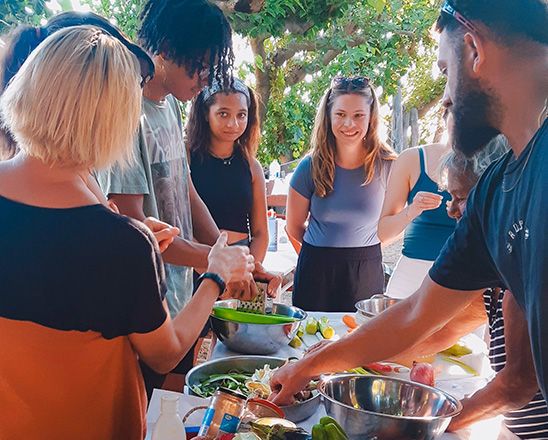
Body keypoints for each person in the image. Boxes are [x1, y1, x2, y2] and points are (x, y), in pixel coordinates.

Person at [270, 0, 548, 406]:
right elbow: (419, 316)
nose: (447, 99)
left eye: (444, 72)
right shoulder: (494, 191)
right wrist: (312, 365)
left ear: (474, 49)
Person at [0, 26, 254, 439]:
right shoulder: (120, 244)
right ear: (114, 120)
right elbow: (165, 353)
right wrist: (215, 274)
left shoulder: (120, 239)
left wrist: (136, 243)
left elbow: (46, 263)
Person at [440, 143, 548, 437]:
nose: (450, 210)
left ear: (492, 196)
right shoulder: (493, 276)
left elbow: (517, 384)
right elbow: (439, 332)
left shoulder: (522, 274)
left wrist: (438, 420)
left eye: (459, 197)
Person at [286, 76, 397, 312]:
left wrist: (365, 246)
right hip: (316, 270)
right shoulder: (309, 166)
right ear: (328, 116)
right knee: (310, 344)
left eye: (358, 115)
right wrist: (316, 254)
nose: (349, 124)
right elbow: (293, 226)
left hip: (366, 269)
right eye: (340, 114)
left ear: (371, 117)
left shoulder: (389, 166)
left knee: (361, 343)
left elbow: (397, 224)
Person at [187, 78, 269, 261]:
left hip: (242, 258)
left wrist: (250, 270)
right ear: (206, 114)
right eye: (223, 114)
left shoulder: (252, 166)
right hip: (195, 258)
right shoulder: (186, 156)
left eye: (241, 115)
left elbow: (261, 233)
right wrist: (210, 268)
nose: (233, 124)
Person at [379, 112, 456, 299]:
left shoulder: (496, 161)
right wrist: (412, 210)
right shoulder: (412, 158)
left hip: (466, 277)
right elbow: (384, 234)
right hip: (412, 275)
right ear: (445, 115)